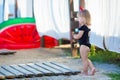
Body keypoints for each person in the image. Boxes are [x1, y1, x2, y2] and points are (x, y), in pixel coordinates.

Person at [72, 9, 96, 75]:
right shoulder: (87, 27)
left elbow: (79, 36)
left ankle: (85, 72)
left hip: (83, 46)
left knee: (84, 60)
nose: (78, 19)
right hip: (87, 45)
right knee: (86, 58)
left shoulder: (82, 27)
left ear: (83, 18)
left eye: (79, 18)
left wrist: (74, 36)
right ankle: (92, 68)